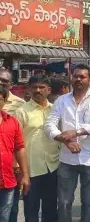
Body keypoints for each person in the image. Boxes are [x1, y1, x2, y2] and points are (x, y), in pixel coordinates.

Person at [44, 64, 90, 222]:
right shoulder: (62, 100)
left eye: (82, 77)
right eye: (76, 76)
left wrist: (77, 132)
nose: (78, 79)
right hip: (67, 159)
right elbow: (49, 125)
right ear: (71, 78)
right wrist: (66, 140)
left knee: (88, 202)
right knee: (64, 201)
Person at [14, 75, 59, 222]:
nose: (38, 90)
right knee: (31, 209)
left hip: (53, 166)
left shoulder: (56, 110)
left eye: (41, 87)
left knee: (51, 208)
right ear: (29, 89)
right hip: (31, 168)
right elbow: (15, 143)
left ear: (49, 90)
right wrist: (18, 168)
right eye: (34, 87)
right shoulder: (21, 112)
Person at [0, 86, 30, 222]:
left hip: (7, 180)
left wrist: (25, 174)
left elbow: (19, 148)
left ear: (5, 100)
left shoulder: (12, 122)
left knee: (4, 217)